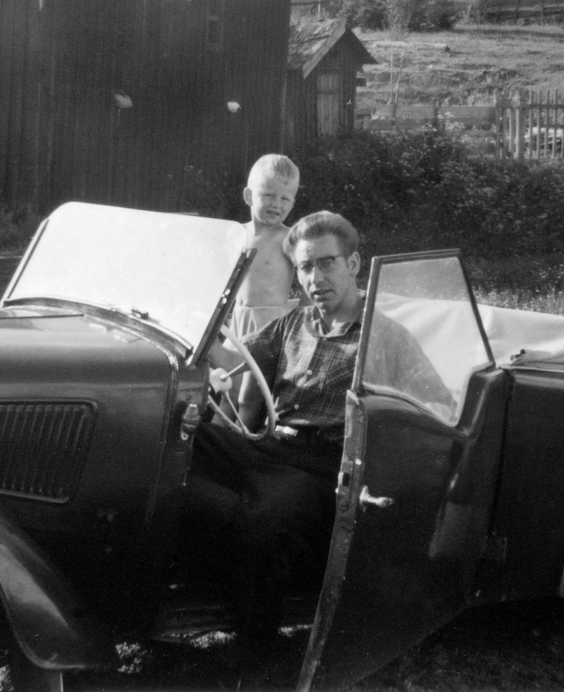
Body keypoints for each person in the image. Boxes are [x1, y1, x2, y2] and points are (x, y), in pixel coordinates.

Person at [185, 211, 453, 682]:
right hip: (271, 446)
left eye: (326, 264)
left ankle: (255, 655)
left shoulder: (383, 335)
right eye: (305, 267)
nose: (315, 278)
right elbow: (232, 357)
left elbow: (436, 405)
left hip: (326, 465)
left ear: (354, 263)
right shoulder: (294, 323)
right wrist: (197, 329)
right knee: (180, 441)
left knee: (266, 520)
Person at [231, 154, 302, 409]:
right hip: (238, 319)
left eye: (285, 198)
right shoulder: (237, 234)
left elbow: (306, 278)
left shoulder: (288, 238)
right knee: (228, 384)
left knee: (250, 393)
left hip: (269, 323)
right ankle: (223, 434)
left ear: (293, 203)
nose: (277, 204)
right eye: (269, 195)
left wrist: (304, 320)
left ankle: (246, 437)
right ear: (249, 196)